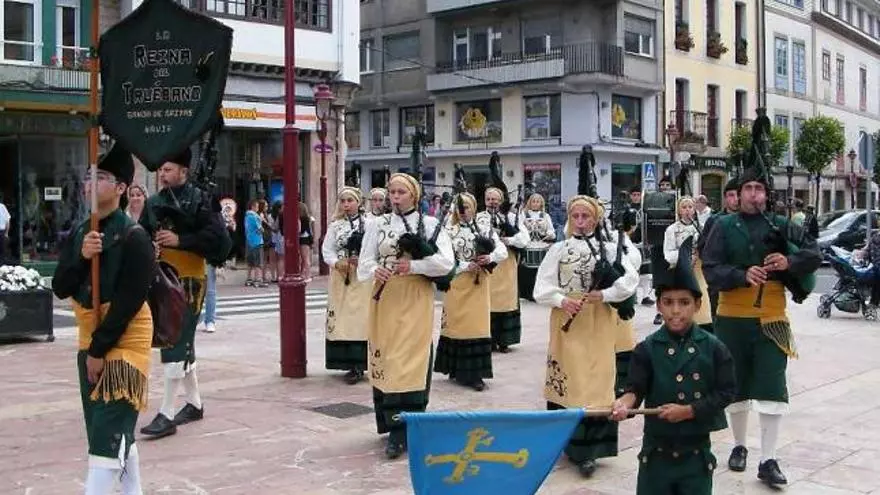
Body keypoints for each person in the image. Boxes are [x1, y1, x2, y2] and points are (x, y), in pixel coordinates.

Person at [702, 145, 821, 487]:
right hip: (732, 318)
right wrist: (741, 275)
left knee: (771, 385)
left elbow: (815, 253)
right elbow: (711, 269)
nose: (754, 194)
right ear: (738, 195)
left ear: (767, 195)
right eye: (748, 189)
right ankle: (739, 446)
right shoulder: (722, 226)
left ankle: (768, 459)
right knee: (735, 385)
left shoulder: (783, 225)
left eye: (759, 189)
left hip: (772, 318)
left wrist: (788, 262)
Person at [52, 144, 154, 494]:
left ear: (121, 188)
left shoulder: (134, 237)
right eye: (88, 177)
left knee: (106, 440)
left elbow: (128, 304)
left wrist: (98, 350)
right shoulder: (82, 232)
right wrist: (82, 257)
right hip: (89, 338)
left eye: (101, 177)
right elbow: (61, 287)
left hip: (123, 342)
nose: (90, 183)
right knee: (107, 432)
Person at [611, 238, 736, 495]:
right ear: (658, 305)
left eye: (684, 302)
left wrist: (690, 410)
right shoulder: (646, 348)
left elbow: (726, 392)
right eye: (668, 302)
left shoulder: (714, 348)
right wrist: (624, 403)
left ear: (697, 305)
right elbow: (635, 389)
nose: (676, 311)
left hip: (696, 457)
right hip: (655, 457)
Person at [534, 195, 639, 478]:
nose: (580, 222)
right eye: (575, 216)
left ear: (596, 219)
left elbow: (630, 280)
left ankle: (590, 450)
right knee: (571, 378)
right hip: (567, 322)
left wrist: (605, 294)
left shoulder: (609, 248)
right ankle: (566, 442)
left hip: (599, 322)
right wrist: (561, 300)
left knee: (597, 381)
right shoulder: (559, 249)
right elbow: (540, 287)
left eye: (586, 216)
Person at [357, 172, 455, 459]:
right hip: (385, 297)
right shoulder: (377, 224)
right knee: (389, 357)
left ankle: (406, 427)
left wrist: (413, 266)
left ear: (414, 195)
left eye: (401, 192)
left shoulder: (431, 224)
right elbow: (365, 262)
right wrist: (376, 270)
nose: (395, 197)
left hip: (415, 298)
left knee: (410, 360)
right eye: (392, 192)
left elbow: (446, 264)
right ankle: (390, 422)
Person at [138, 147, 232, 439]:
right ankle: (194, 404)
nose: (162, 174)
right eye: (161, 169)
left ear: (183, 171)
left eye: (168, 169)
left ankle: (167, 413)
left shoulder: (202, 200)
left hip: (190, 280)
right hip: (162, 279)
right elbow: (141, 235)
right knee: (181, 340)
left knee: (175, 341)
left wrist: (181, 240)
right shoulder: (154, 203)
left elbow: (219, 240)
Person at [435, 192, 507, 391]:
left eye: (466, 207)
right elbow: (443, 258)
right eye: (459, 207)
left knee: (476, 327)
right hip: (457, 284)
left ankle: (475, 373)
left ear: (474, 208)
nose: (462, 211)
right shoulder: (448, 230)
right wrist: (465, 265)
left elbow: (502, 250)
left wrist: (489, 258)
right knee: (456, 326)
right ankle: (455, 368)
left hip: (478, 286)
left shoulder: (483, 229)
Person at [322, 187, 371, 384]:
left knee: (360, 320)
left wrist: (364, 261)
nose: (346, 204)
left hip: (362, 278)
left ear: (358, 202)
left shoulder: (370, 224)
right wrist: (337, 263)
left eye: (350, 200)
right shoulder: (336, 226)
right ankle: (346, 363)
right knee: (342, 319)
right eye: (343, 201)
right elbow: (327, 250)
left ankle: (360, 364)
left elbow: (374, 249)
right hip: (341, 277)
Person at [477, 187, 528, 353]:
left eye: (495, 199)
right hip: (488, 264)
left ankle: (504, 341)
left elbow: (524, 239)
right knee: (488, 301)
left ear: (501, 200)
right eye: (489, 199)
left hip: (507, 263)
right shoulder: (479, 217)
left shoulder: (511, 217)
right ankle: (489, 339)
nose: (492, 202)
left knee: (505, 301)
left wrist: (509, 240)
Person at [663, 196, 713, 332]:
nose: (687, 210)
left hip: (699, 271)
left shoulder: (701, 228)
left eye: (690, 207)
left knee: (702, 301)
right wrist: (685, 256)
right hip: (680, 270)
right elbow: (668, 254)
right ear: (679, 210)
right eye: (684, 207)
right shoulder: (672, 230)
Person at [696, 177, 739, 319]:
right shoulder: (714, 220)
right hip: (719, 281)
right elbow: (702, 248)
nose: (736, 199)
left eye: (738, 195)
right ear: (725, 198)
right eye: (731, 195)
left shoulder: (750, 220)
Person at [517, 192, 556, 301]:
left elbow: (551, 230)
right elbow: (519, 228)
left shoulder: (545, 216)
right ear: (530, 203)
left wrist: (550, 233)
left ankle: (540, 293)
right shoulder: (523, 215)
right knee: (526, 270)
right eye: (533, 201)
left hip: (541, 245)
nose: (535, 203)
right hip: (527, 245)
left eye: (537, 201)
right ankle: (527, 293)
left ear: (541, 203)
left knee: (541, 271)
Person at [244, 199, 267, 288]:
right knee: (258, 262)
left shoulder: (247, 216)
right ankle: (258, 280)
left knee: (250, 262)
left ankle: (249, 279)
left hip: (249, 240)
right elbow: (261, 229)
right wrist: (261, 220)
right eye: (257, 206)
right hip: (257, 241)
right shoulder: (255, 216)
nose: (258, 208)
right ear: (253, 207)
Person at [299, 202, 315, 282]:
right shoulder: (308, 218)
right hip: (307, 238)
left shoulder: (303, 219)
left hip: (303, 238)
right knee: (304, 258)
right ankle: (302, 274)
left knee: (305, 258)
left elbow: (301, 230)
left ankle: (308, 275)